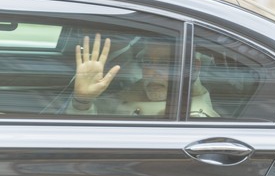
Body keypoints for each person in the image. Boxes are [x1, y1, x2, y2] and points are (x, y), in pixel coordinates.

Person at [66, 33, 219, 117]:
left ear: (193, 68)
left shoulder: (192, 119)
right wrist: (82, 100)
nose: (150, 72)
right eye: (147, 61)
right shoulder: (137, 89)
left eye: (164, 63)